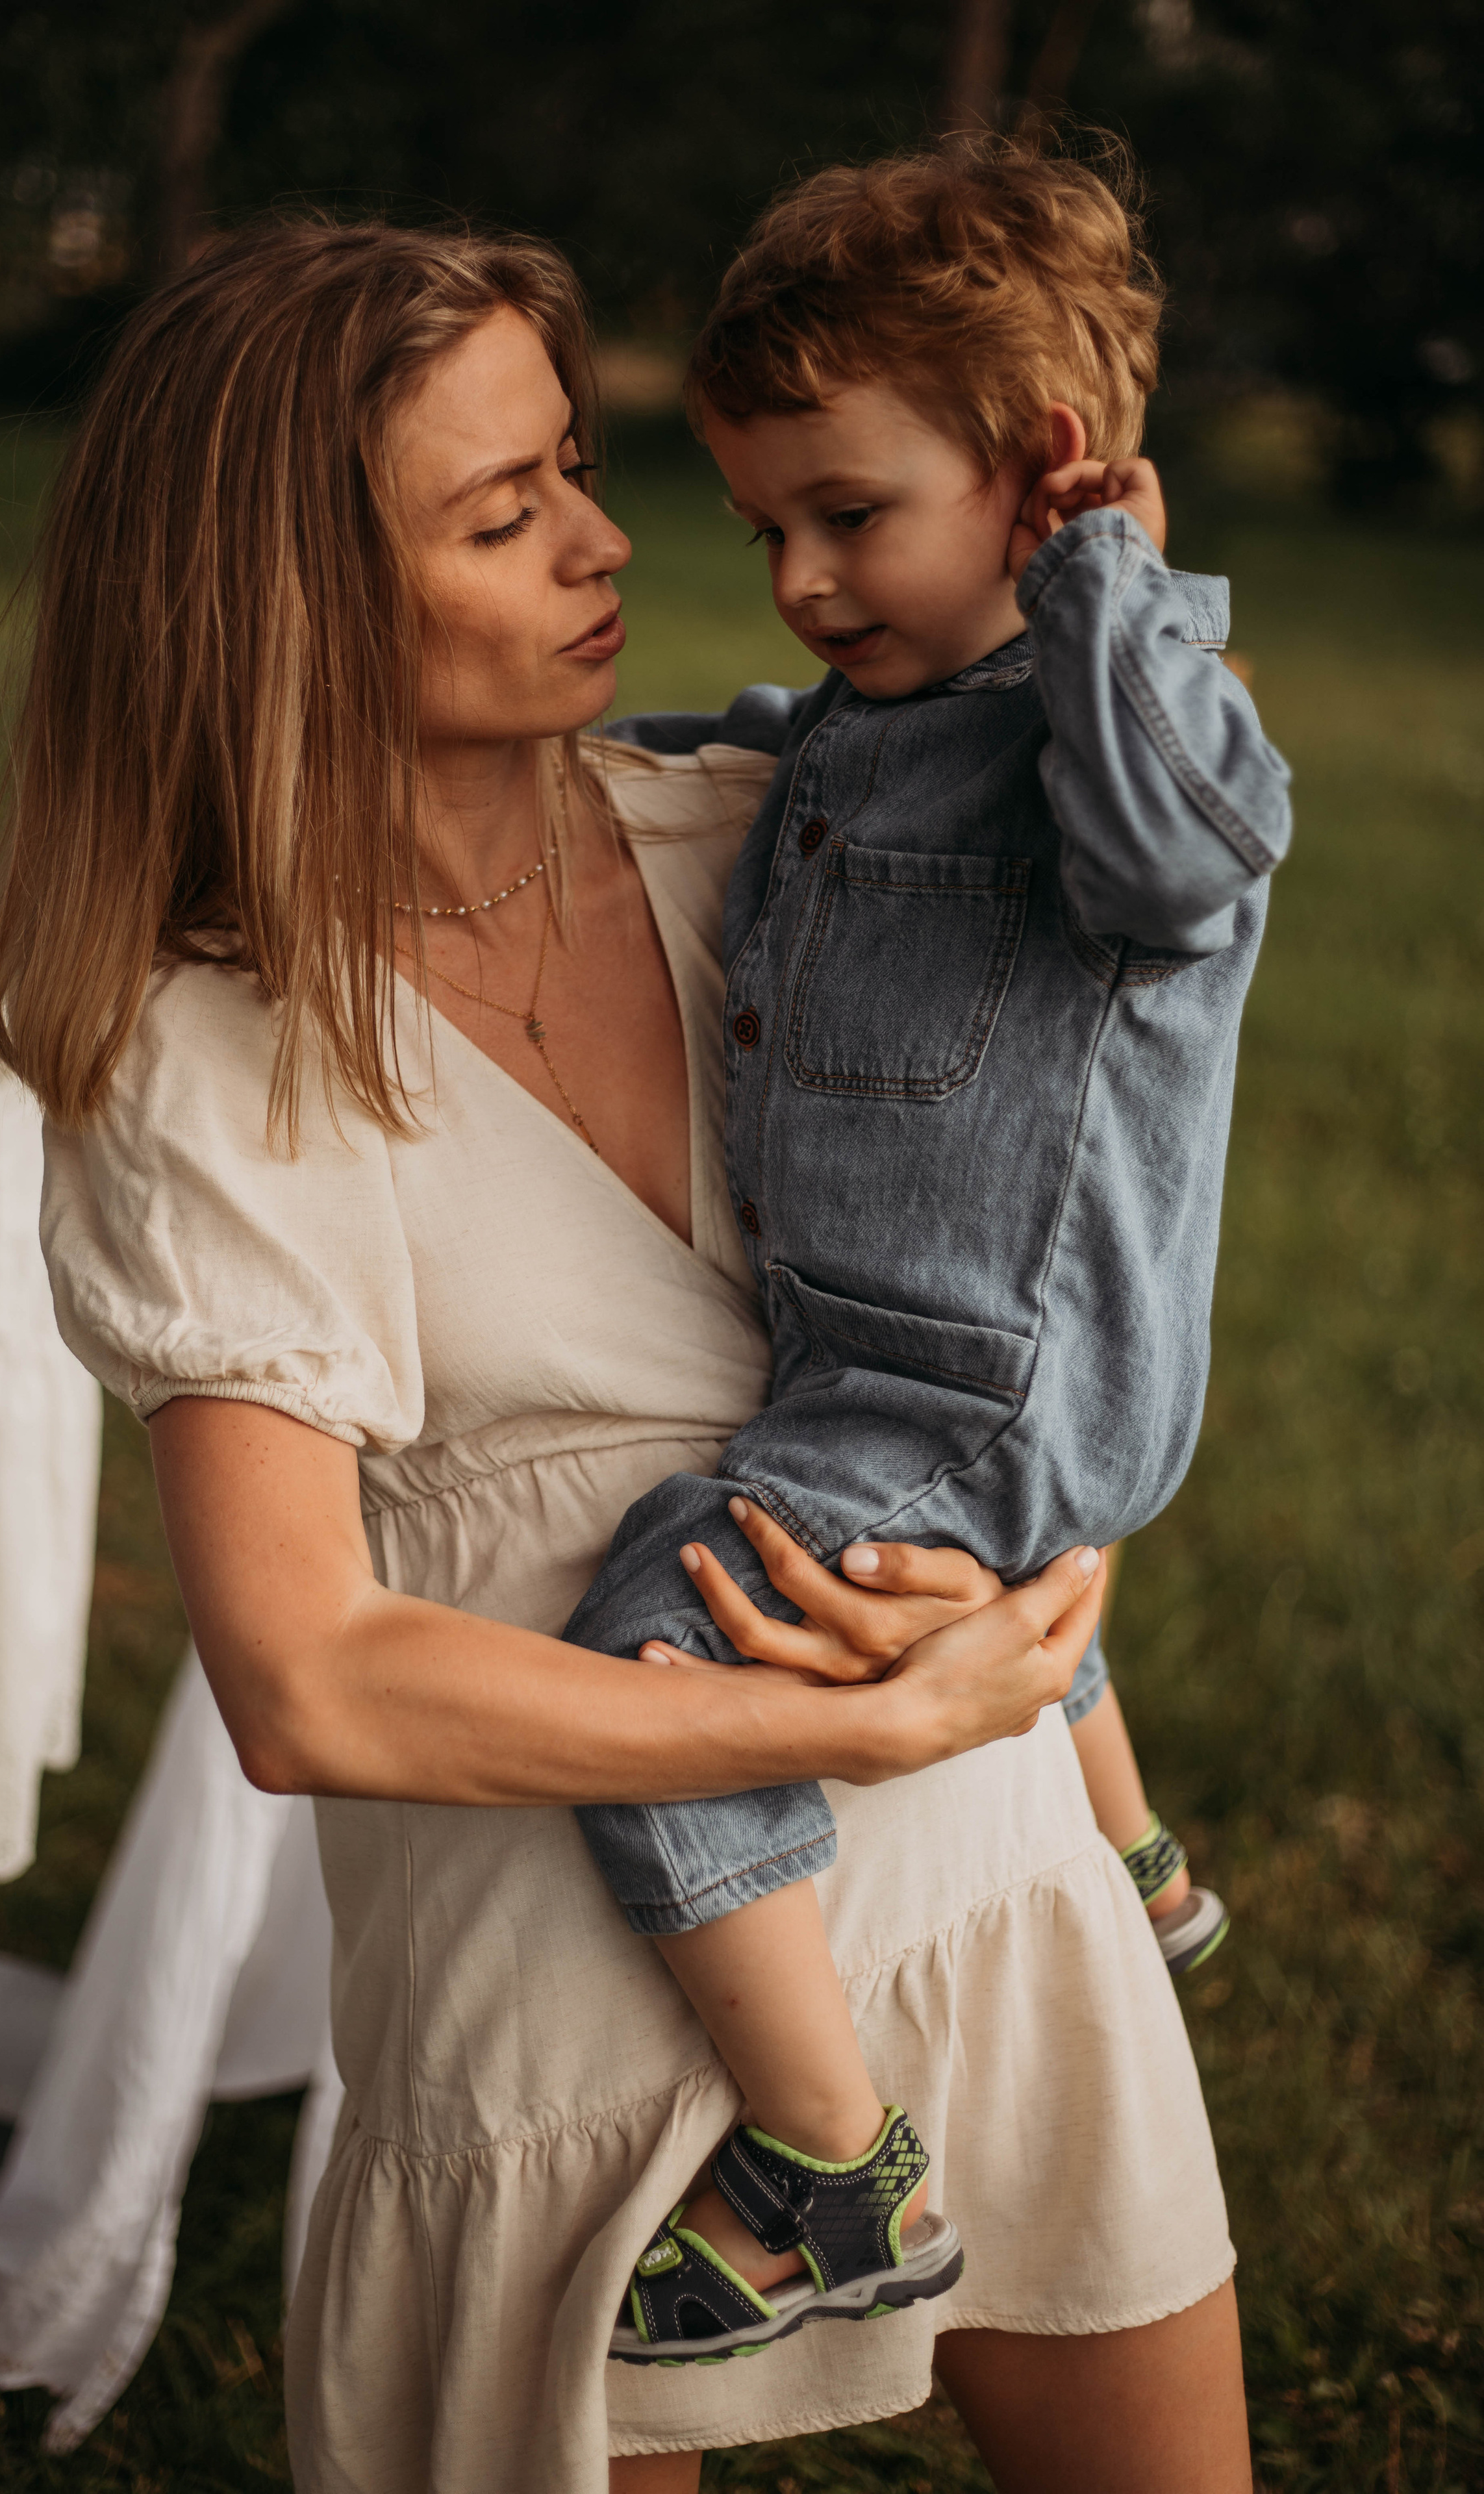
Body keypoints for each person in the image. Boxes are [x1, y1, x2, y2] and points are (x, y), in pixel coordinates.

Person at [0, 214, 1251, 2492]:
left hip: (985, 1868)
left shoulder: (782, 836)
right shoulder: (201, 1044)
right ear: (293, 602)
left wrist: (1038, 1595)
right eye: (501, 511)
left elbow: (1068, 1213)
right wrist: (852, 1712)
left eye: (573, 464)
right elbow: (310, 1681)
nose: (605, 539)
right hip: (559, 1968)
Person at [557, 133, 1290, 2362]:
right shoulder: (884, 725)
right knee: (974, 1572)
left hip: (979, 1384)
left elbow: (1185, 860)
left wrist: (1107, 588)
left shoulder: (1118, 735)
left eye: (849, 516)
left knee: (650, 1643)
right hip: (913, 1356)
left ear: (1041, 478)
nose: (797, 579)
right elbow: (761, 770)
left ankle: (832, 2165)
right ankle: (1140, 1867)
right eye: (763, 529)